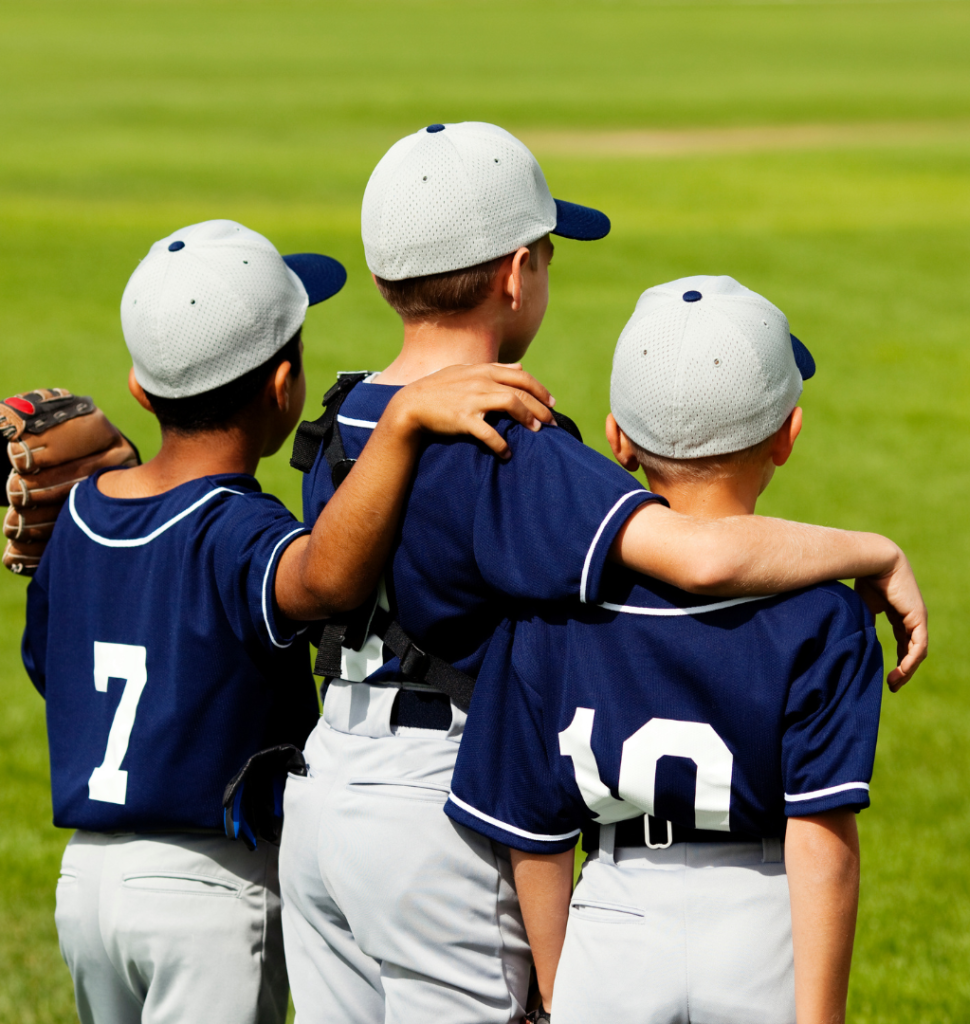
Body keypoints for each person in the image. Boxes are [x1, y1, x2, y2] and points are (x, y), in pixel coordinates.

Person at [280, 123, 925, 1024]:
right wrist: (873, 550)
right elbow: (699, 556)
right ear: (515, 274)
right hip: (437, 806)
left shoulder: (347, 416)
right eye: (544, 255)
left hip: (321, 793)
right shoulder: (511, 443)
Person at [19, 217, 558, 1024]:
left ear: (139, 387)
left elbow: (46, 666)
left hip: (87, 888)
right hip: (207, 893)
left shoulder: (85, 518)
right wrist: (403, 425)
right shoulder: (240, 528)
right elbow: (328, 580)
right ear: (285, 387)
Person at [446, 275, 882, 1024]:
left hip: (617, 918)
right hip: (759, 921)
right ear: (787, 434)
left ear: (617, 440)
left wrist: (556, 987)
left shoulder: (554, 607)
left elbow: (539, 836)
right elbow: (822, 841)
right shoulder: (823, 613)